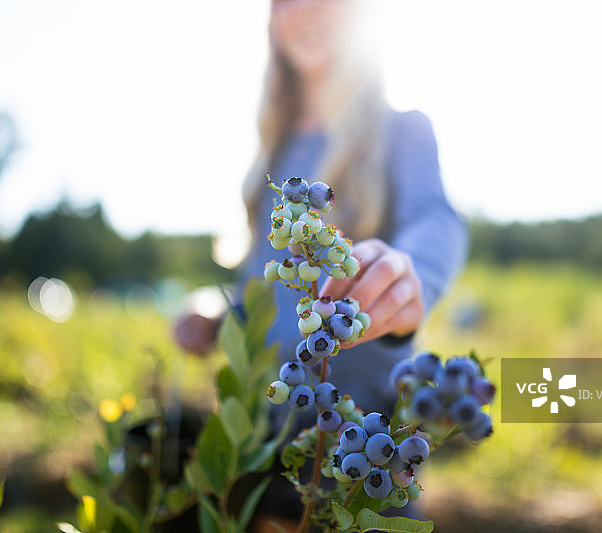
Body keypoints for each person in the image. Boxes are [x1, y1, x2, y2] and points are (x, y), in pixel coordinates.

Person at [175, 0, 468, 527]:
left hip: (360, 432)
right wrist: (217, 311)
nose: (308, 7)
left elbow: (436, 220)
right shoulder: (274, 152)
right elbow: (266, 293)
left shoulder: (401, 131)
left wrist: (410, 274)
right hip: (267, 437)